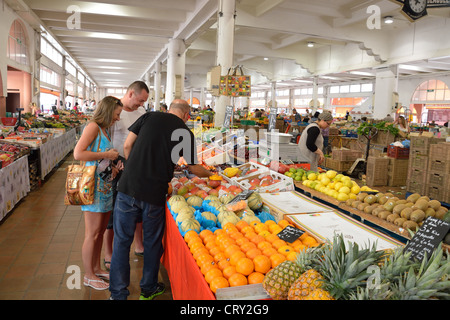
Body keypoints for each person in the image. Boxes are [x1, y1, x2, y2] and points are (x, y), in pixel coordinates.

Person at [109, 99, 213, 300]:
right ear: (186, 115)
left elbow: (128, 145)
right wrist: (212, 175)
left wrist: (137, 168)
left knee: (121, 242)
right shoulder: (184, 132)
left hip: (127, 187)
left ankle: (117, 294)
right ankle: (147, 289)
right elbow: (192, 167)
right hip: (153, 192)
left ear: (170, 109)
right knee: (152, 242)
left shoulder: (148, 116)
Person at [73, 96, 123, 290]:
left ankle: (95, 268)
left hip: (104, 186)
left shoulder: (103, 129)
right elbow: (79, 153)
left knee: (101, 232)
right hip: (92, 187)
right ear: (109, 110)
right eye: (117, 114)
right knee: (92, 233)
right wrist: (107, 155)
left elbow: (99, 160)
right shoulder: (93, 126)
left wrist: (113, 166)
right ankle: (88, 275)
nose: (118, 118)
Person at [103, 81, 150, 272]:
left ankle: (139, 245)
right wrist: (111, 163)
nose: (141, 105)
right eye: (140, 100)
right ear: (131, 93)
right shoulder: (115, 112)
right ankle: (108, 253)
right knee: (112, 210)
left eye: (144, 102)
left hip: (136, 166)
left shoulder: (142, 114)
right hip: (116, 164)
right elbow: (104, 140)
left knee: (137, 207)